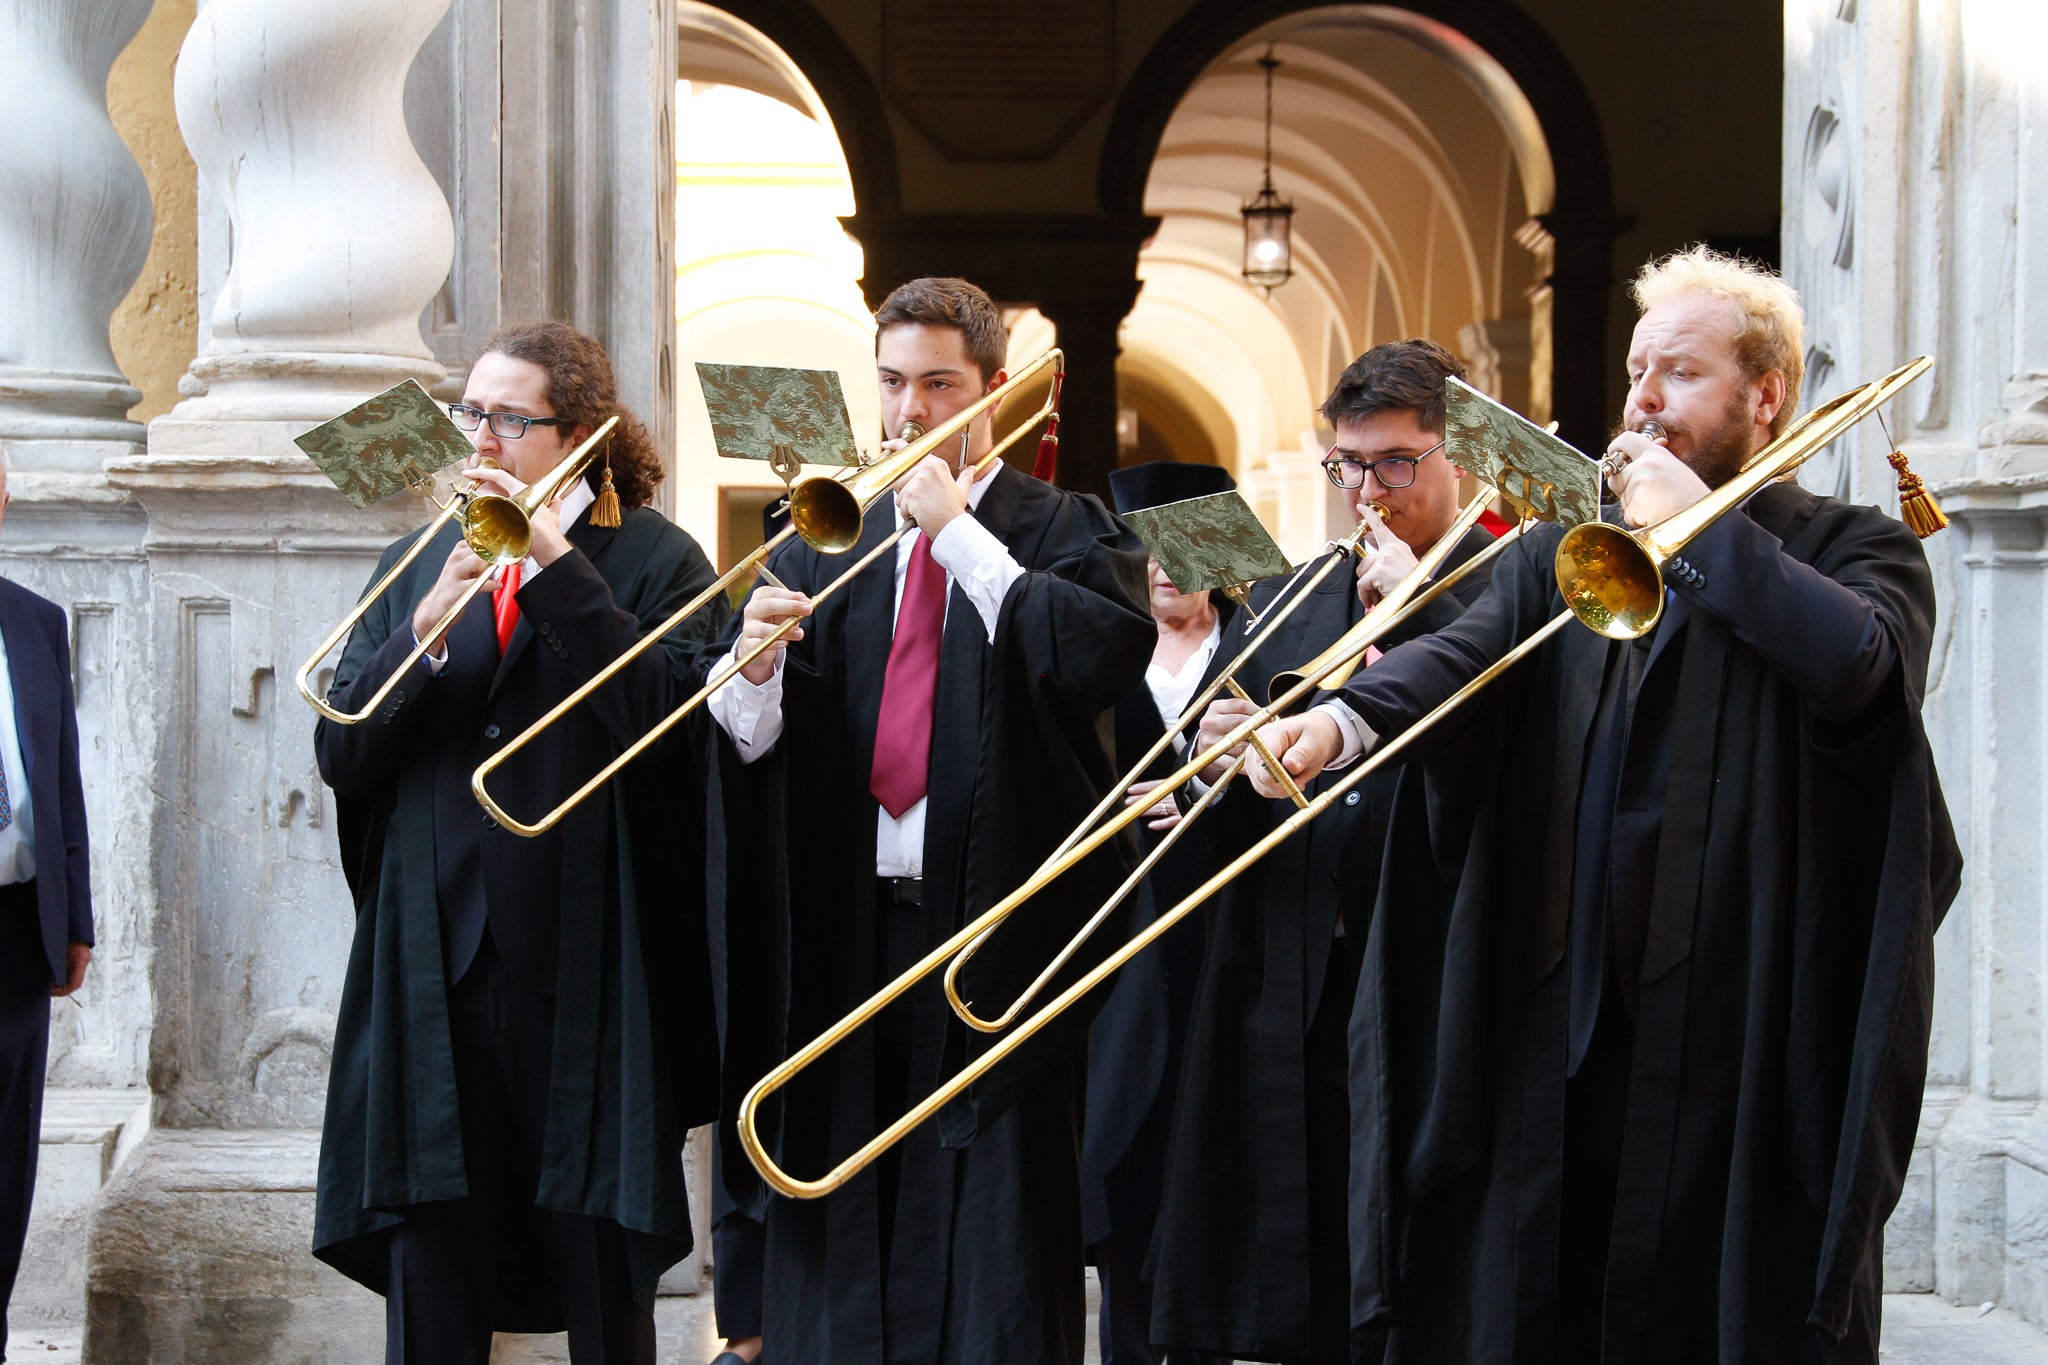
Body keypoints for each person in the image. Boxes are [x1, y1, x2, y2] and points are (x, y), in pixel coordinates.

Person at [1250, 247, 1960, 1361]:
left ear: (1762, 394)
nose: (1639, 400)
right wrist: (1334, 722)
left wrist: (1701, 534)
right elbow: (1460, 658)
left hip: (1732, 1051)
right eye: (1636, 372)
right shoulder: (1562, 551)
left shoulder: (1848, 547)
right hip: (1552, 1031)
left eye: (1677, 373)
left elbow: (1865, 673)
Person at [704, 276, 1154, 1364]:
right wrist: (749, 673)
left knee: (994, 1229)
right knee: (844, 1206)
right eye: (893, 383)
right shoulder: (828, 533)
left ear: (995, 392)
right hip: (848, 935)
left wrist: (958, 537)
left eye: (938, 384)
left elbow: (1094, 661)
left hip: (994, 934)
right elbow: (760, 751)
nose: (909, 412)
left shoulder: (1059, 529)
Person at [312, 322, 727, 1364]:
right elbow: (341, 754)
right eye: (473, 413)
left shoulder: (654, 559)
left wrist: (547, 563)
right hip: (436, 964)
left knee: (594, 1258)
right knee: (433, 1255)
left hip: (587, 974)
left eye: (510, 418)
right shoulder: (417, 558)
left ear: (580, 435)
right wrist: (421, 633)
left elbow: (668, 723)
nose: (481, 439)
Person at [1146, 342, 1496, 1365]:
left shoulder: (1513, 575)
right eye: (1345, 465)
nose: (1364, 492)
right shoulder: (1299, 595)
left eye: (1394, 463)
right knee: (1297, 1228)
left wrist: (1424, 599)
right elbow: (1253, 758)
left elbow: (1519, 747)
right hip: (1303, 952)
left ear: (1459, 452)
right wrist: (1217, 761)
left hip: (1433, 957)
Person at [1084, 460, 1238, 1365]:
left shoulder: (1260, 642)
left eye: (1182, 542)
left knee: (1212, 1169)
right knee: (1125, 1176)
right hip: (1122, 943)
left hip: (1224, 941)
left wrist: (1214, 800)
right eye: (1146, 545)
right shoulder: (1106, 651)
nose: (1162, 564)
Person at [0, 446, 92, 1365]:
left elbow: (59, 775)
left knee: (7, 1157)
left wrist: (76, 915)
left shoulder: (34, 621)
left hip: (15, 925)